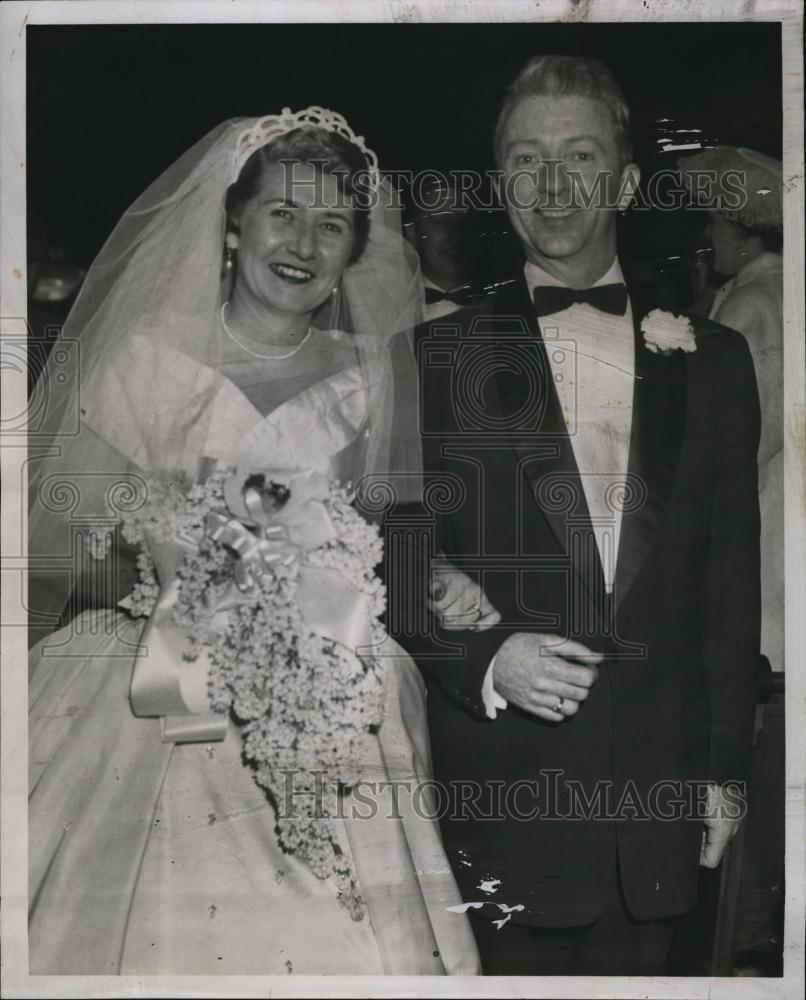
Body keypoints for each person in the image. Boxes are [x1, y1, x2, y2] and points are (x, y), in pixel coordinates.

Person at [27, 107, 482, 976]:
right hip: (150, 682)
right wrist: (171, 578)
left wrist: (437, 574)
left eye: (333, 225)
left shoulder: (376, 374)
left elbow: (387, 538)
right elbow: (52, 548)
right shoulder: (143, 361)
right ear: (234, 223)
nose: (304, 243)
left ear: (355, 252)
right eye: (283, 212)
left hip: (325, 674)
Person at [396, 55, 761, 976]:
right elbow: (394, 563)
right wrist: (487, 658)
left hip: (657, 818)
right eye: (527, 160)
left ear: (627, 183)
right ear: (500, 183)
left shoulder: (715, 360)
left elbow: (729, 585)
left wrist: (723, 772)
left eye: (581, 157)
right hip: (501, 804)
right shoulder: (431, 359)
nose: (553, 185)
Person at [681, 146, 784, 672]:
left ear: (746, 234)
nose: (709, 234)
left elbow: (745, 432)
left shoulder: (750, 302)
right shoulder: (775, 287)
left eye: (716, 224)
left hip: (758, 505)